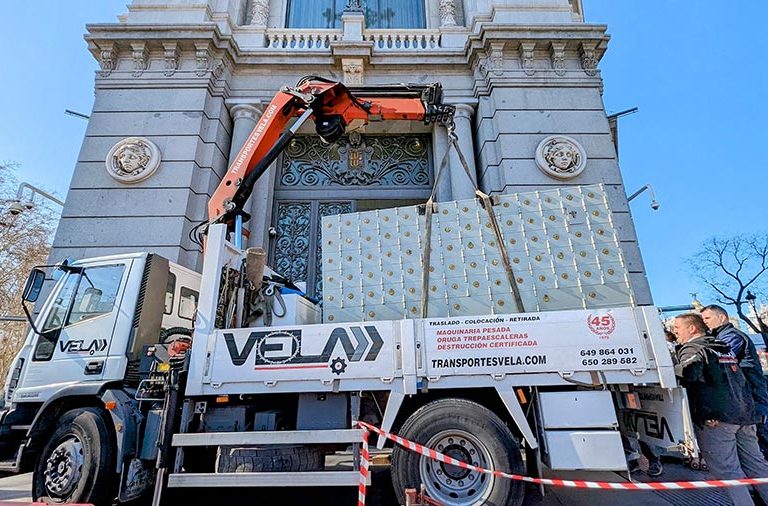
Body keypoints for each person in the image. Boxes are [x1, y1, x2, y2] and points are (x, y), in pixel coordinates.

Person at [673, 313, 768, 505]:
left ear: (692, 329)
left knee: (728, 472)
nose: (675, 333)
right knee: (757, 467)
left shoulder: (693, 348)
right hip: (744, 415)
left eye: (677, 328)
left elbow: (691, 374)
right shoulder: (723, 348)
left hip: (717, 420)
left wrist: (669, 367)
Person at [702, 304, 768, 459]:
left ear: (722, 317)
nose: (704, 322)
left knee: (761, 445)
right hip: (746, 398)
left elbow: (719, 359)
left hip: (752, 397)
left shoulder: (731, 337)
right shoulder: (722, 336)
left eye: (707, 318)